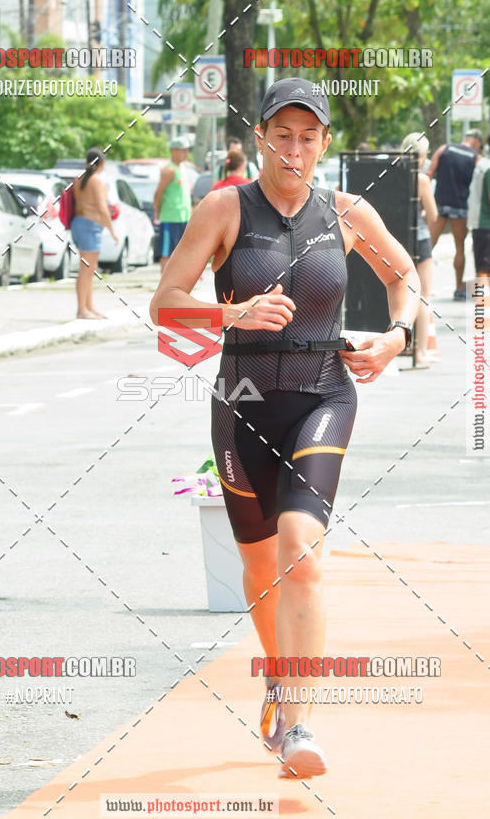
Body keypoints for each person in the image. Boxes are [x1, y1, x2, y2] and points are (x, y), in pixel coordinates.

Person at [150, 77, 419, 780]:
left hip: (325, 393)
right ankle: (278, 672)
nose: (294, 149)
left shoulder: (347, 211)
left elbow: (405, 276)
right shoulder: (224, 207)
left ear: (324, 143)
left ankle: (298, 719)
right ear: (263, 136)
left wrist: (397, 334)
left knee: (302, 547)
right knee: (262, 564)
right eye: (282, 134)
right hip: (241, 401)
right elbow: (165, 302)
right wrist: (230, 315)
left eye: (308, 136)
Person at [426, 129, 482, 299]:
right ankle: (458, 289)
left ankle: (416, 285)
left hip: (439, 203)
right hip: (460, 205)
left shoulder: (445, 149)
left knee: (428, 247)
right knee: (460, 248)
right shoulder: (476, 158)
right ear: (477, 142)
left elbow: (429, 173)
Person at [401, 133, 439, 364]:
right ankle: (421, 351)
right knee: (423, 297)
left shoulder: (392, 174)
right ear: (423, 156)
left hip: (397, 239)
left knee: (400, 294)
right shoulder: (421, 180)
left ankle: (403, 346)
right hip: (421, 240)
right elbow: (433, 215)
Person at [70, 148, 118, 320]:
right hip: (90, 226)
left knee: (89, 269)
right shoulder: (96, 181)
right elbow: (102, 208)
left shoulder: (80, 179)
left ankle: (88, 307)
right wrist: (112, 231)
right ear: (102, 164)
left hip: (79, 224)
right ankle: (82, 309)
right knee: (86, 270)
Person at [153, 136, 193, 273]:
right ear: (173, 151)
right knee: (167, 252)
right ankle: (164, 284)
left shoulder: (182, 168)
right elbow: (158, 193)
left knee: (180, 252)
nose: (186, 153)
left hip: (183, 217)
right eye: (182, 150)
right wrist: (157, 211)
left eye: (187, 150)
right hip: (170, 217)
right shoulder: (169, 170)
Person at [467, 135, 490, 282]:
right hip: (485, 227)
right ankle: (481, 304)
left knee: (481, 269)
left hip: (480, 225)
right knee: (483, 270)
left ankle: (480, 304)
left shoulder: (482, 166)